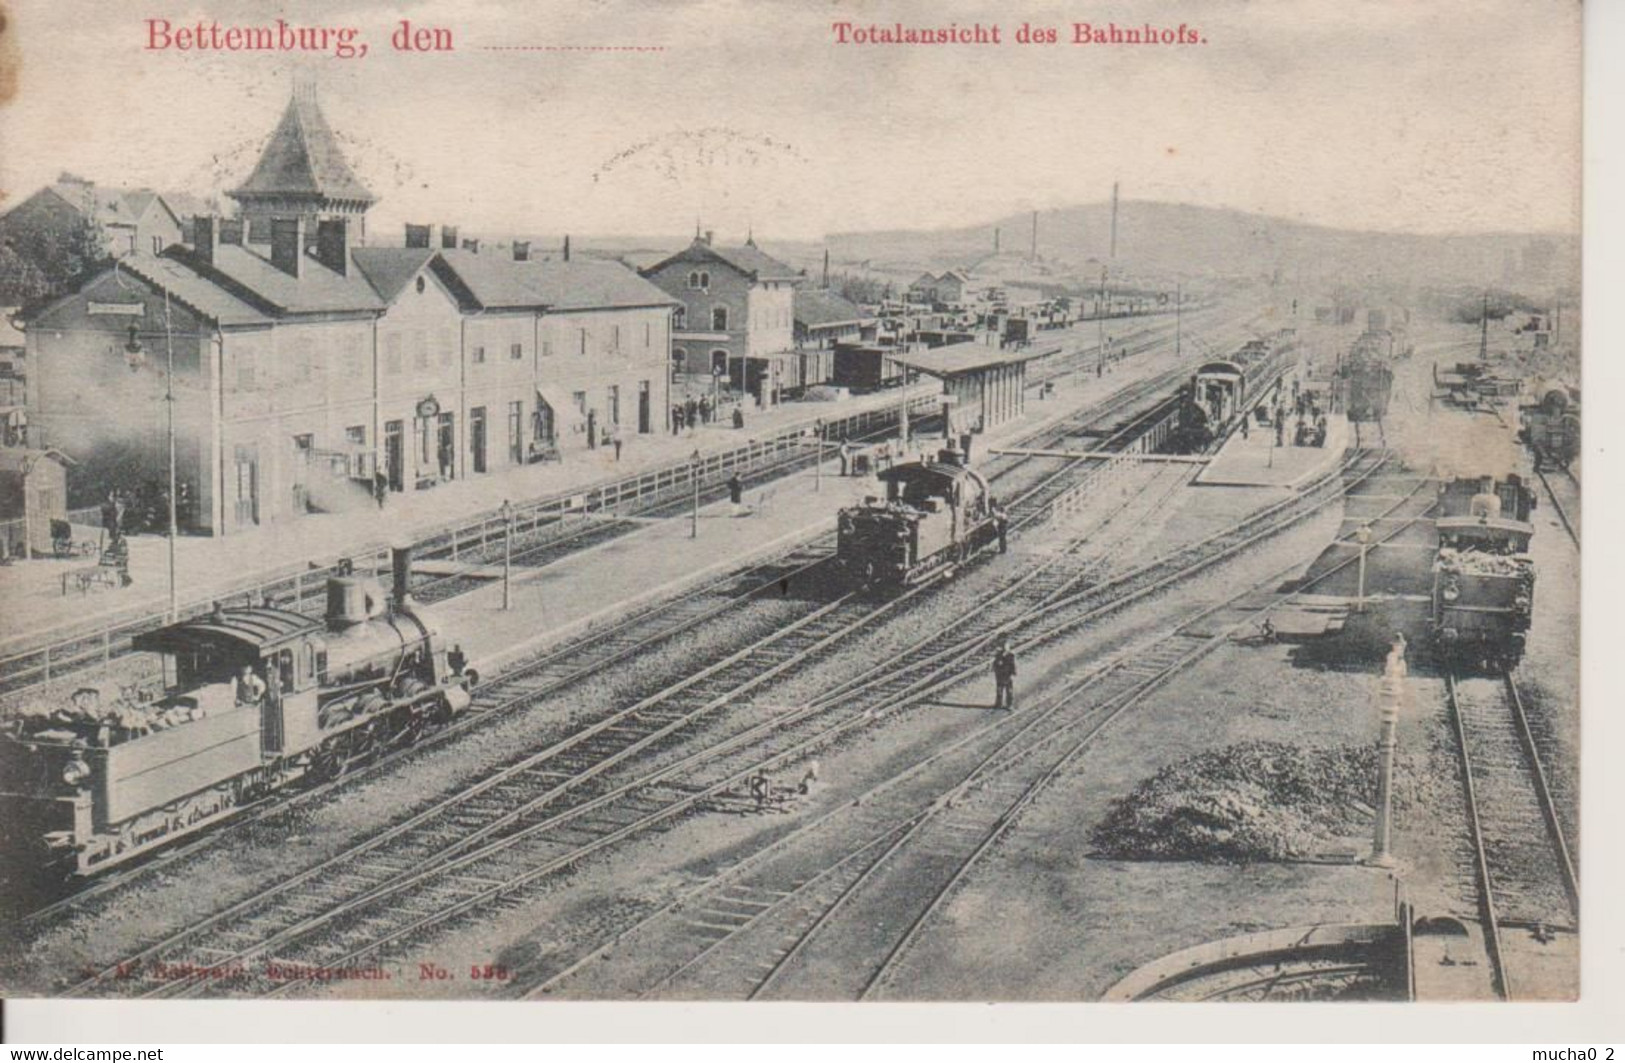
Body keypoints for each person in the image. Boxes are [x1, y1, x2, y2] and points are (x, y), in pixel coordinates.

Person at [992, 639, 1017, 711]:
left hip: (1007, 674)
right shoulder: (998, 655)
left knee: (1009, 690)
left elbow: (1013, 664)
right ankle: (998, 703)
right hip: (1000, 674)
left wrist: (1013, 672)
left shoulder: (1011, 655)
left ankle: (1009, 704)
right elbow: (995, 664)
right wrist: (996, 670)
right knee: (999, 689)